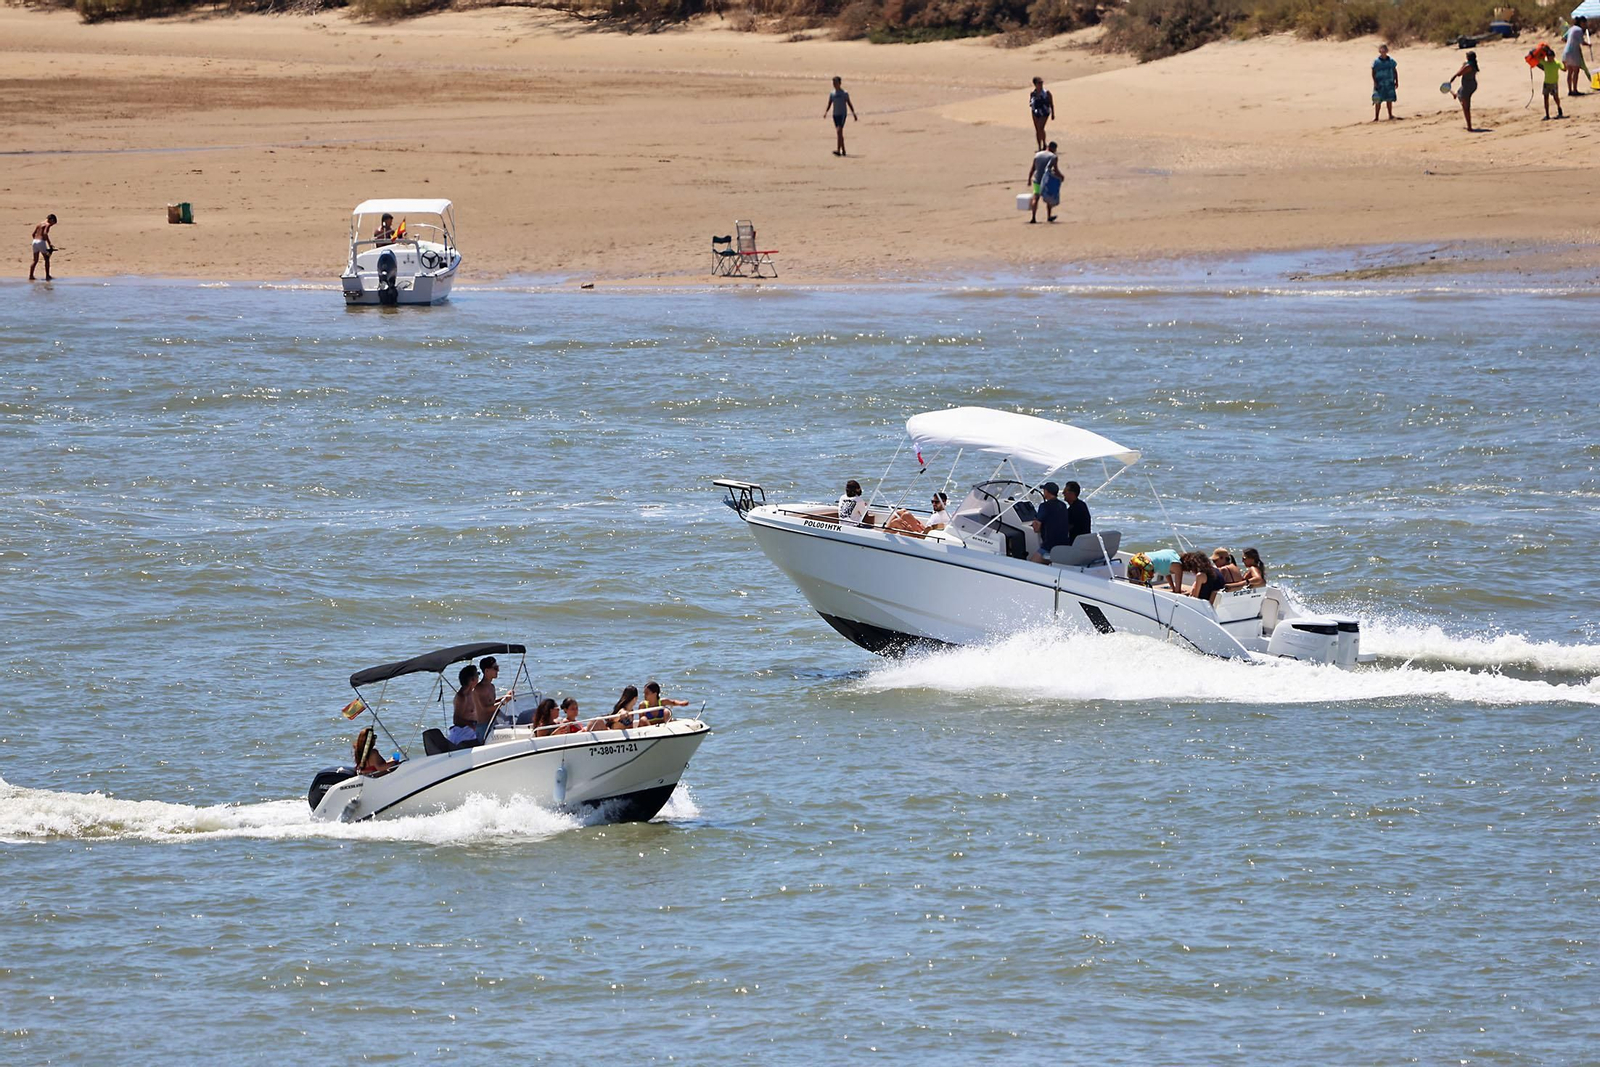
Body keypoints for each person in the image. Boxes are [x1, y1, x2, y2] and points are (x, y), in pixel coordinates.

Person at [1029, 481, 1069, 563]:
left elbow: (1036, 529)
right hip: (1064, 544)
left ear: (1047, 492)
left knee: (1031, 563)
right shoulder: (1063, 505)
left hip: (1049, 546)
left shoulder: (1044, 506)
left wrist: (1034, 521)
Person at [1026, 142, 1060, 224]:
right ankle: (1049, 216)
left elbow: (1033, 168)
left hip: (1037, 180)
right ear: (1053, 148)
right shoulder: (1053, 157)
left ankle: (1033, 217)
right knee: (1049, 197)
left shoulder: (1037, 155)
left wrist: (1029, 179)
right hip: (1047, 181)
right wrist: (1061, 176)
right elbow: (1056, 170)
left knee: (1035, 198)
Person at [450, 664, 483, 744]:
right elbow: (456, 720)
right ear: (472, 679)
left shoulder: (473, 693)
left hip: (474, 728)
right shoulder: (462, 697)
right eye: (477, 674)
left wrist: (503, 700)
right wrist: (472, 725)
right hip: (464, 731)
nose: (479, 677)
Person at [825, 76, 858, 157]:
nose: (834, 84)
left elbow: (849, 103)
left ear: (840, 83)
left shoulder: (844, 93)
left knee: (839, 131)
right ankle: (843, 150)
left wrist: (854, 113)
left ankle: (838, 150)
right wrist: (826, 112)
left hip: (842, 114)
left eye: (836, 82)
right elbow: (829, 103)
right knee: (839, 133)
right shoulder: (832, 93)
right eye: (833, 83)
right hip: (835, 115)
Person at [1448, 51, 1479, 132]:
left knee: (1466, 107)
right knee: (1461, 97)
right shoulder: (1471, 64)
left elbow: (1459, 73)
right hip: (1468, 85)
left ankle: (1469, 127)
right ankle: (1456, 94)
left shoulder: (1468, 66)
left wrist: (1452, 79)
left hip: (1468, 86)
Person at [1537, 43, 1565, 119]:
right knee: (1545, 98)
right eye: (1548, 57)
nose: (1550, 59)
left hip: (1554, 84)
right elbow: (1537, 58)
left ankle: (1559, 107)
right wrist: (1542, 50)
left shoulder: (1557, 63)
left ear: (1553, 57)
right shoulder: (1545, 63)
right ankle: (1547, 114)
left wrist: (1565, 64)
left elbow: (1564, 69)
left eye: (1551, 57)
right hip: (1546, 83)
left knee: (1556, 98)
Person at [1372, 43, 1399, 122]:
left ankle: (1390, 115)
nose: (1383, 52)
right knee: (1377, 100)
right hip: (1379, 83)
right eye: (1381, 51)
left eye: (1384, 50)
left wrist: (1396, 81)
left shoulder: (1391, 61)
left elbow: (1395, 71)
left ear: (1387, 51)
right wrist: (1375, 82)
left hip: (1389, 82)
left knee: (1389, 99)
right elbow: (1373, 72)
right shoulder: (1376, 62)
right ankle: (1376, 117)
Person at [1564, 17, 1590, 95]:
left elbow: (1563, 38)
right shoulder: (1579, 30)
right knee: (1575, 71)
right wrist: (1588, 44)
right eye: (1584, 23)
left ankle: (1570, 90)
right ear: (1581, 23)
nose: (1585, 25)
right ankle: (1575, 90)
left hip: (1566, 52)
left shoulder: (1571, 29)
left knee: (1570, 72)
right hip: (1574, 53)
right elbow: (1582, 42)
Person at [1028, 77, 1055, 152]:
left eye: (1041, 83)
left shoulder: (1047, 93)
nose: (1041, 84)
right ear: (1035, 84)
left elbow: (1051, 104)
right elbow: (1031, 103)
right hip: (1035, 112)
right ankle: (1040, 146)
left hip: (1044, 112)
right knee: (1037, 129)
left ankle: (1044, 143)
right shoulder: (1033, 93)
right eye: (1039, 83)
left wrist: (1053, 113)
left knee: (1040, 127)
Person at [29, 214, 57, 282]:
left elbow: (33, 234)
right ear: (51, 220)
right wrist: (49, 243)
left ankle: (31, 276)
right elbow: (45, 233)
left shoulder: (39, 224)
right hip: (41, 242)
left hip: (34, 242)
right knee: (47, 258)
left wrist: (36, 240)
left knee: (35, 260)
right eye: (53, 223)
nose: (52, 225)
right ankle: (47, 276)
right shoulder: (47, 224)